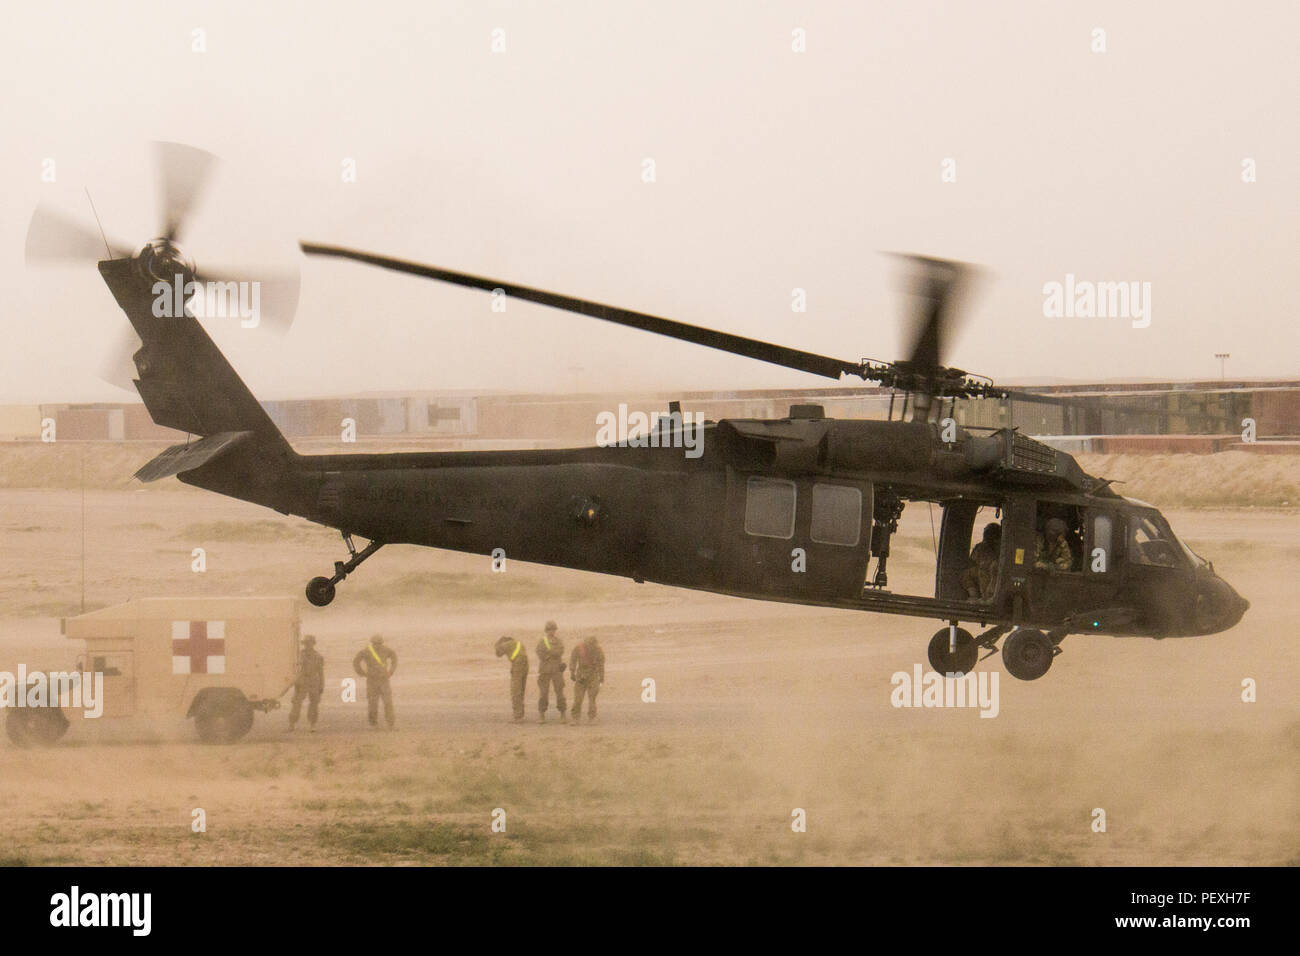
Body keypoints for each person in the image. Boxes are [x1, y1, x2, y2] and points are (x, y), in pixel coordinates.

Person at [352, 635, 397, 729]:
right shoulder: (366, 651)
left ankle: (390, 724)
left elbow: (394, 658)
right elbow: (356, 661)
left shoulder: (386, 650)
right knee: (372, 703)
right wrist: (362, 673)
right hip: (371, 680)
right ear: (372, 643)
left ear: (382, 643)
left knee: (388, 702)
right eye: (375, 643)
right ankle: (373, 724)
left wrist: (391, 671)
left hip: (384, 680)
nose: (377, 645)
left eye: (379, 643)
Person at [289, 634, 325, 732]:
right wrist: (296, 682)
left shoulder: (318, 657)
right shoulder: (298, 656)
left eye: (310, 643)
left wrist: (321, 685)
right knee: (296, 703)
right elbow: (295, 670)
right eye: (306, 643)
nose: (308, 645)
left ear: (313, 643)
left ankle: (312, 725)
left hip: (314, 682)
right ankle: (292, 725)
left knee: (314, 704)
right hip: (302, 682)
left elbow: (321, 673)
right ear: (304, 644)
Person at [535, 620, 567, 723]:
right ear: (546, 630)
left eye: (553, 629)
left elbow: (560, 652)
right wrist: (550, 655)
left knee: (560, 692)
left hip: (557, 670)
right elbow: (540, 653)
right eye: (549, 630)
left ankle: (563, 714)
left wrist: (549, 653)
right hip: (545, 670)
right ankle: (541, 715)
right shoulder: (542, 641)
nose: (551, 631)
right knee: (543, 693)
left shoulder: (558, 641)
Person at [569, 636, 605, 723]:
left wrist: (601, 677)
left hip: (593, 675)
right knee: (578, 698)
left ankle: (591, 718)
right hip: (581, 675)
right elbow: (573, 660)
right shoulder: (579, 648)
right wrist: (572, 672)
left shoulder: (598, 650)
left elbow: (601, 664)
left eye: (592, 644)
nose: (591, 646)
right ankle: (575, 718)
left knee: (592, 698)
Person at [960, 522, 1001, 599]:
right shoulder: (980, 548)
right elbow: (970, 565)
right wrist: (973, 592)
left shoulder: (1002, 551)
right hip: (983, 577)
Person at [494, 635, 529, 722]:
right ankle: (520, 714)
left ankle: (518, 716)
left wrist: (497, 644)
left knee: (515, 691)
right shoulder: (518, 643)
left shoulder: (506, 644)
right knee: (521, 690)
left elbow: (498, 654)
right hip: (526, 666)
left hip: (517, 665)